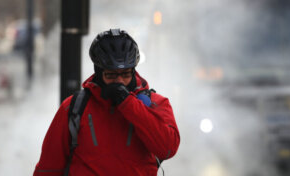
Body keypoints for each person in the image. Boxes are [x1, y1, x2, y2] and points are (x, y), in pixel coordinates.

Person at [33, 29, 180, 176]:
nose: (119, 81)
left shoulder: (155, 104)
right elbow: (49, 168)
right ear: (98, 73)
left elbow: (167, 148)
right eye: (110, 75)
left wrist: (129, 104)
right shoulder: (75, 107)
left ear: (134, 71)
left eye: (126, 74)